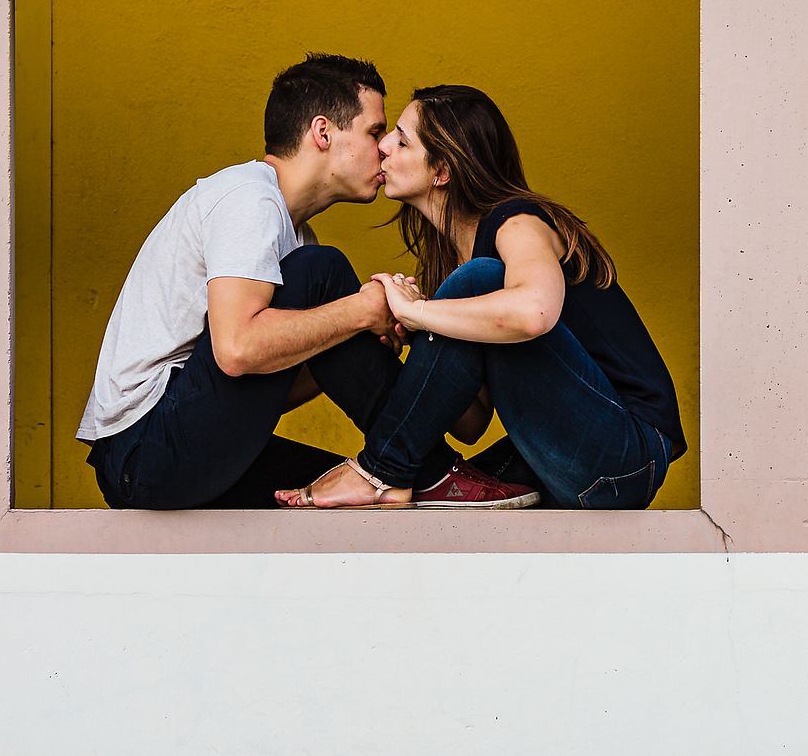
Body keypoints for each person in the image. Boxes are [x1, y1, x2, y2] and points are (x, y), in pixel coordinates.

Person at [77, 54, 540, 510]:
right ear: (323, 132)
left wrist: (354, 338)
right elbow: (237, 350)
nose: (382, 149)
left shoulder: (294, 235)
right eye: (375, 131)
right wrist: (360, 310)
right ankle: (437, 472)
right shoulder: (248, 198)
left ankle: (427, 474)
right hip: (142, 450)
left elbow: (263, 386)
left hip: (182, 446)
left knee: (364, 487)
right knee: (324, 272)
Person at [275, 84, 686, 509]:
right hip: (571, 461)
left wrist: (418, 310)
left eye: (401, 139)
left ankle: (379, 472)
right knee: (445, 494)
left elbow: (533, 312)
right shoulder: (456, 262)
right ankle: (388, 476)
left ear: (442, 171)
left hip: (626, 454)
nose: (382, 147)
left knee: (481, 279)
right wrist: (410, 336)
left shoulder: (517, 223)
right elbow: (469, 422)